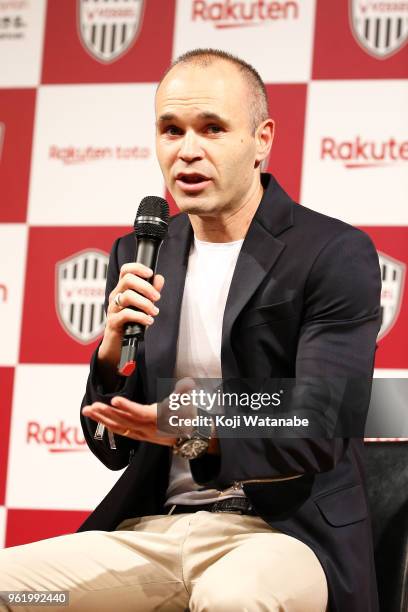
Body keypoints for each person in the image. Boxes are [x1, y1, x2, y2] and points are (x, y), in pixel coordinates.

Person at [0, 49, 381, 612]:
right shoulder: (140, 252)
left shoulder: (332, 252)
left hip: (281, 537)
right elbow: (114, 449)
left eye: (212, 128)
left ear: (262, 140)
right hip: (156, 532)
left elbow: (319, 422)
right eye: (171, 130)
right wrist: (110, 359)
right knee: (17, 588)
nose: (187, 150)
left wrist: (188, 424)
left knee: (233, 600)